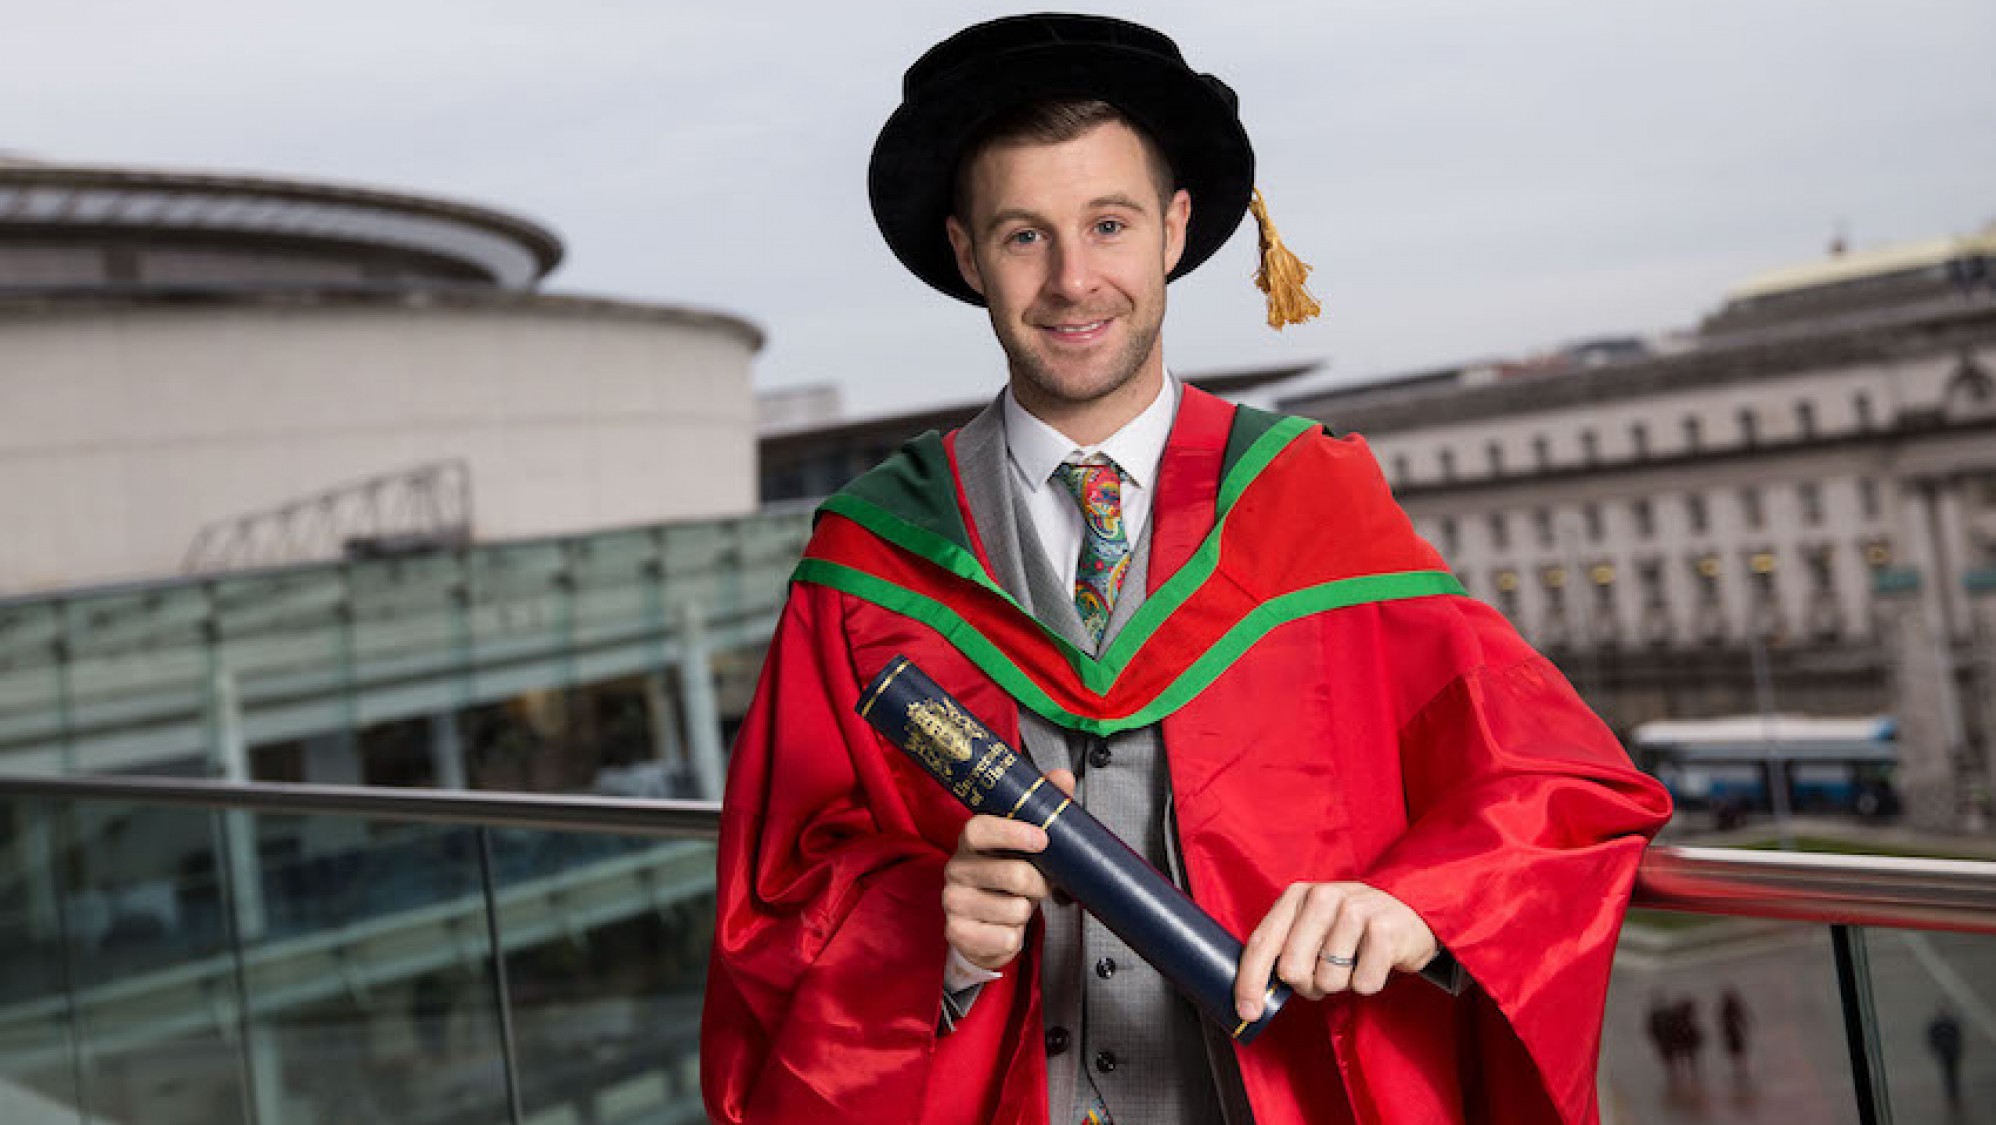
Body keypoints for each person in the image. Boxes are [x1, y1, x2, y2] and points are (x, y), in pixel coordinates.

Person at [701, 14, 1671, 1125]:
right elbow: (773, 899)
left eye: (1108, 224)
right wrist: (932, 930)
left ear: (1172, 228)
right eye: (1023, 236)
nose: (1073, 279)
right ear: (968, 256)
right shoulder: (870, 558)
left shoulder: (1313, 505)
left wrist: (1420, 906)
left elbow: (1561, 785)